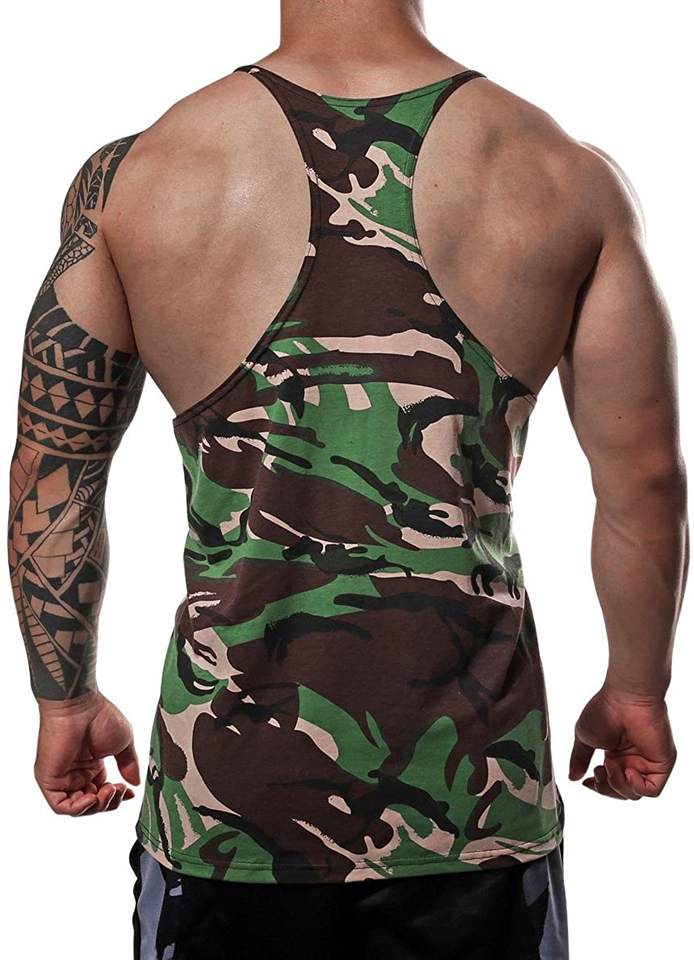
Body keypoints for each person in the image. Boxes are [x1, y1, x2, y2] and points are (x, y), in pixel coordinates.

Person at [8, 1, 688, 958]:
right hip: (475, 801)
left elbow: (56, 475)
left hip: (229, 805)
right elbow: (645, 481)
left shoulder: (142, 176)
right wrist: (638, 687)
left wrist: (66, 700)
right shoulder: (559, 173)